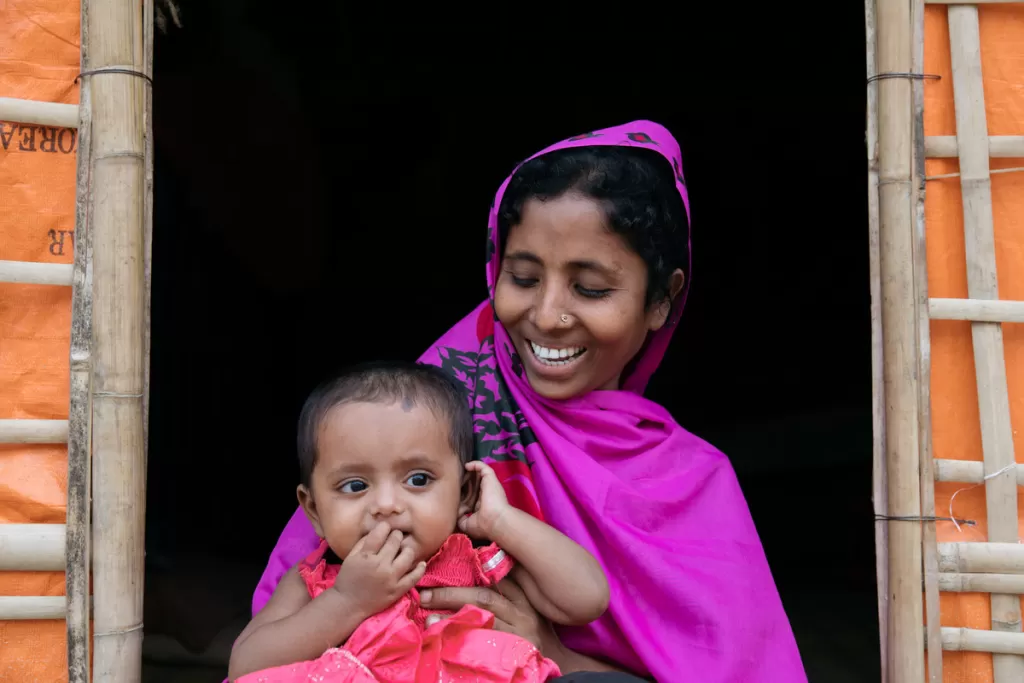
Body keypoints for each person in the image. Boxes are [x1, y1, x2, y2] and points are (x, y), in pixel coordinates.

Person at [251, 121, 808, 682]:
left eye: (590, 288)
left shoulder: (695, 486)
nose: (545, 315)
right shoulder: (426, 414)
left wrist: (559, 660)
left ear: (662, 300)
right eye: (522, 277)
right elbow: (265, 656)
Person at [229, 362, 610, 682]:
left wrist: (500, 520)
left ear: (462, 492)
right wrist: (346, 602)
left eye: (418, 480)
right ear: (313, 510)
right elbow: (247, 666)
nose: (387, 505)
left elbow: (587, 598)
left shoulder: (478, 560)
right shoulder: (316, 580)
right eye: (356, 485)